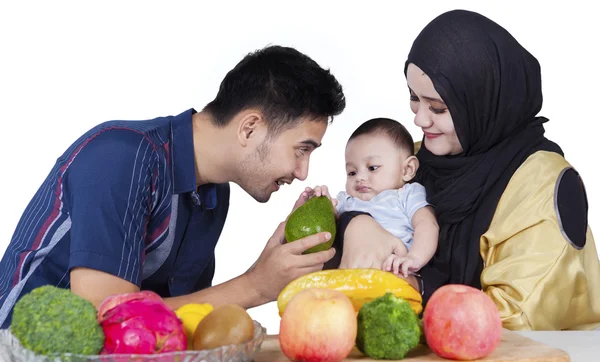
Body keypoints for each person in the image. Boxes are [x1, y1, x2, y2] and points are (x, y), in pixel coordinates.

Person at [0, 45, 346, 329]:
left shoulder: (213, 192)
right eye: (302, 149)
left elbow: (176, 318)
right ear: (250, 128)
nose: (302, 172)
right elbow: (106, 320)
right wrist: (256, 285)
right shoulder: (120, 156)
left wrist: (294, 265)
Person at [333, 10, 600, 330]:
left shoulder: (545, 183)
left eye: (439, 107)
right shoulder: (419, 159)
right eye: (414, 99)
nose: (419, 119)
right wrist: (355, 222)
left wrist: (412, 289)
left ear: (482, 102)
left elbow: (518, 317)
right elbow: (364, 200)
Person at [332, 117, 438, 277]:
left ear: (407, 169)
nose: (360, 177)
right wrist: (319, 199)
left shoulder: (407, 195)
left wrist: (414, 258)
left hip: (395, 275)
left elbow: (427, 225)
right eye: (352, 172)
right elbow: (326, 221)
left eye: (372, 168)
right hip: (350, 276)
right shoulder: (347, 201)